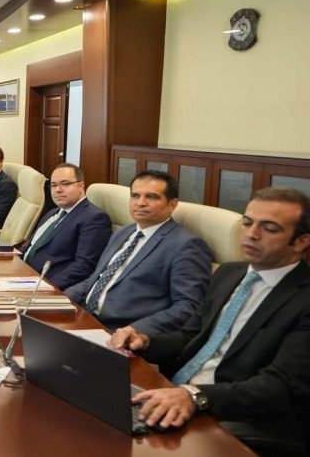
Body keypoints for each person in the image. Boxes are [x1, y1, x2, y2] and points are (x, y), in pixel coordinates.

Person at [109, 187, 310, 454]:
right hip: (176, 391)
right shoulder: (229, 273)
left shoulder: (303, 299)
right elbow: (190, 336)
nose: (251, 234)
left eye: (269, 228)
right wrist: (145, 341)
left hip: (239, 415)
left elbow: (280, 386)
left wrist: (194, 395)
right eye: (247, 223)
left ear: (301, 242)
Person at [65, 170, 211, 334]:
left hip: (121, 331)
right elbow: (96, 279)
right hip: (83, 317)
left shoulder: (186, 245)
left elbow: (188, 306)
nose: (140, 203)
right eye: (135, 196)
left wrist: (134, 330)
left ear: (172, 204)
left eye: (151, 197)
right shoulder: (123, 232)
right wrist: (61, 299)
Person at [18, 164, 112, 289]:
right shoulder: (53, 213)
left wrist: (44, 287)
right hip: (21, 276)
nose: (58, 190)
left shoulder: (94, 218)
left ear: (81, 185)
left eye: (65, 184)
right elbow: (30, 245)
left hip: (46, 285)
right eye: (54, 185)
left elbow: (83, 267)